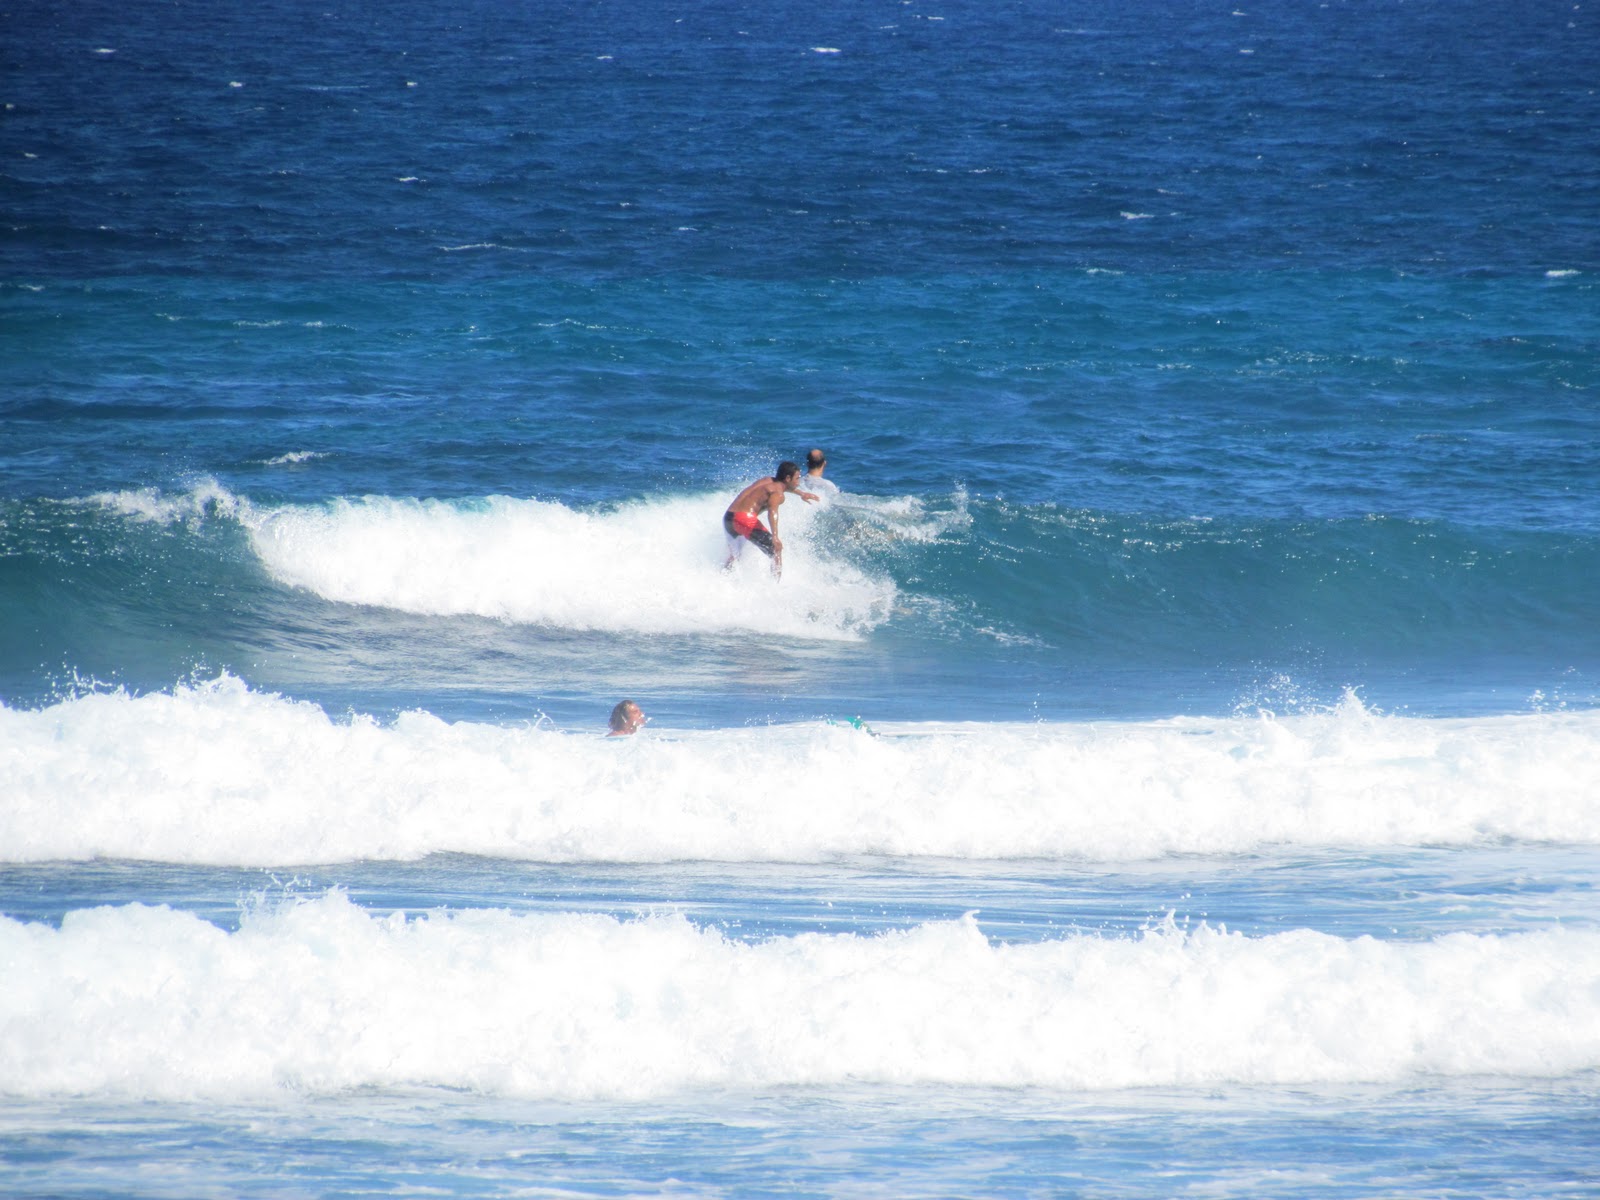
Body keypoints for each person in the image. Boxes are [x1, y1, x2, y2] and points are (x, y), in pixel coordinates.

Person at [724, 461, 805, 578]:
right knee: (776, 550)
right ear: (788, 478)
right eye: (797, 478)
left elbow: (784, 487)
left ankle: (722, 577)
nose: (799, 482)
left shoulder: (767, 481)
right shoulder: (778, 494)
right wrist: (775, 537)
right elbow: (772, 512)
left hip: (729, 517)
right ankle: (774, 586)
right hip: (743, 519)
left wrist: (802, 493)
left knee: (735, 555)